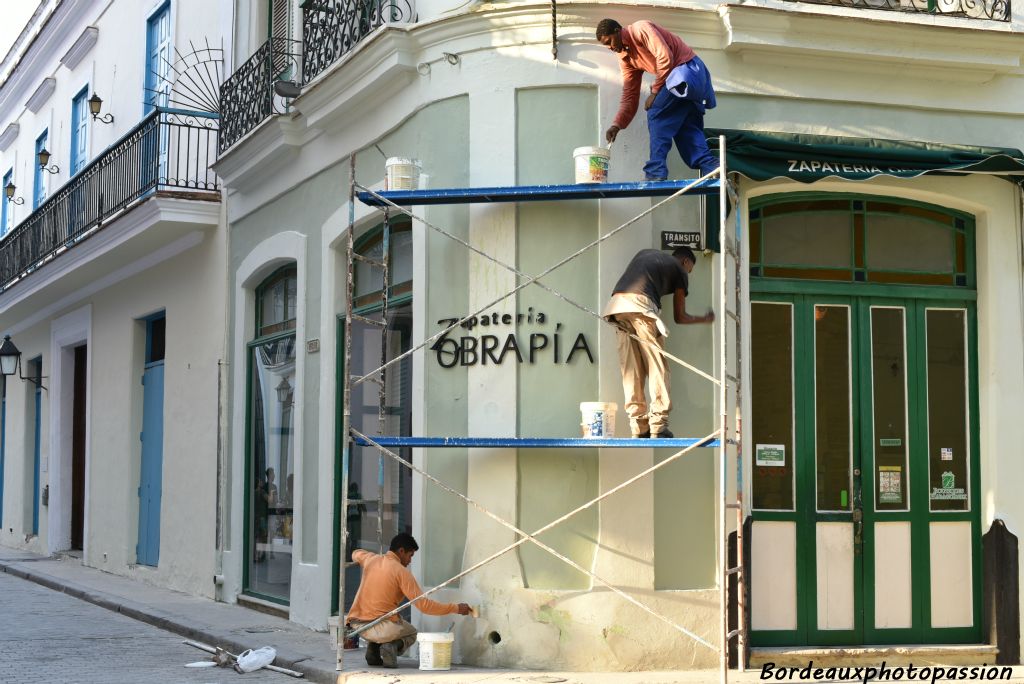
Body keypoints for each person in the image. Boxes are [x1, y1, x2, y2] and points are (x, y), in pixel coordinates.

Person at [603, 247, 714, 438]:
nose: (688, 275)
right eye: (690, 270)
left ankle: (638, 426)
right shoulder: (680, 270)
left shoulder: (646, 253)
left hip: (616, 306)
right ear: (685, 262)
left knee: (631, 368)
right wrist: (704, 319)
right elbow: (680, 317)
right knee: (657, 365)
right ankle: (658, 424)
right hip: (641, 306)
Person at [597, 18, 717, 181]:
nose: (610, 47)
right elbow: (630, 95)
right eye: (606, 45)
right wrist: (617, 125)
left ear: (618, 31)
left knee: (656, 111)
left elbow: (665, 57)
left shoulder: (640, 29)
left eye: (609, 41)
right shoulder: (626, 58)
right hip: (684, 82)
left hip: (687, 72)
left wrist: (654, 92)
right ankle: (712, 167)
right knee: (685, 129)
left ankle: (655, 172)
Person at [347, 533, 472, 668]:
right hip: (381, 629)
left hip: (357, 626)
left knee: (388, 620)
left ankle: (374, 652)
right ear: (401, 551)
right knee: (412, 632)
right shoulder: (401, 572)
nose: (410, 560)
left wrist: (367, 557)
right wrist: (456, 608)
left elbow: (355, 553)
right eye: (410, 555)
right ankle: (391, 646)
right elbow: (424, 606)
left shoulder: (371, 559)